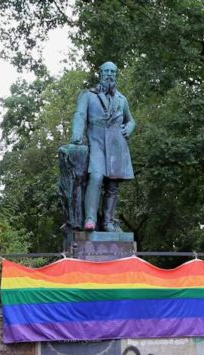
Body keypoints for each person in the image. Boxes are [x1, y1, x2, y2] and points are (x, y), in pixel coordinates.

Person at [70, 61, 136, 232]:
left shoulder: (122, 99)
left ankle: (108, 221)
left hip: (116, 146)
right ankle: (90, 219)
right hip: (96, 142)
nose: (109, 74)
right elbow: (79, 115)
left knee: (113, 185)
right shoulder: (88, 95)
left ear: (116, 75)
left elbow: (130, 120)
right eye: (106, 71)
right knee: (97, 177)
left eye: (112, 72)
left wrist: (129, 127)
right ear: (100, 73)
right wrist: (77, 134)